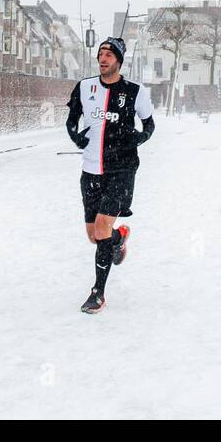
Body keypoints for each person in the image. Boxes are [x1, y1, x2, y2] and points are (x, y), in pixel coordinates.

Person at [65, 38, 155, 314]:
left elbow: (149, 124)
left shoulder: (135, 92)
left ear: (119, 60)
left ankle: (98, 294)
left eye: (108, 55)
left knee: (102, 228)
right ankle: (118, 239)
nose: (103, 59)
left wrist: (138, 138)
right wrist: (75, 137)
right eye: (100, 54)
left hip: (122, 169)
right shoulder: (84, 87)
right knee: (95, 235)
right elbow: (71, 119)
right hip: (91, 170)